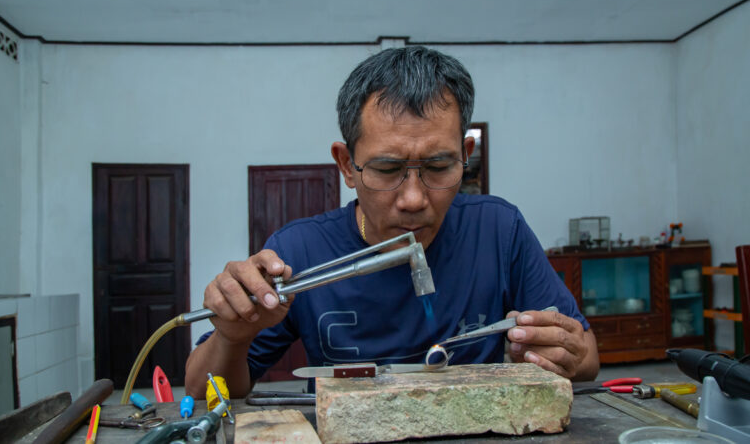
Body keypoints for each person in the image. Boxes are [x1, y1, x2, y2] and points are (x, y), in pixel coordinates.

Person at [185, 46, 599, 398]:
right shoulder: (299, 251)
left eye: (438, 166)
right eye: (387, 169)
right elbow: (203, 392)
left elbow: (588, 359)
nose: (414, 199)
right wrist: (232, 337)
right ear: (346, 165)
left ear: (465, 156)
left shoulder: (498, 230)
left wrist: (564, 352)